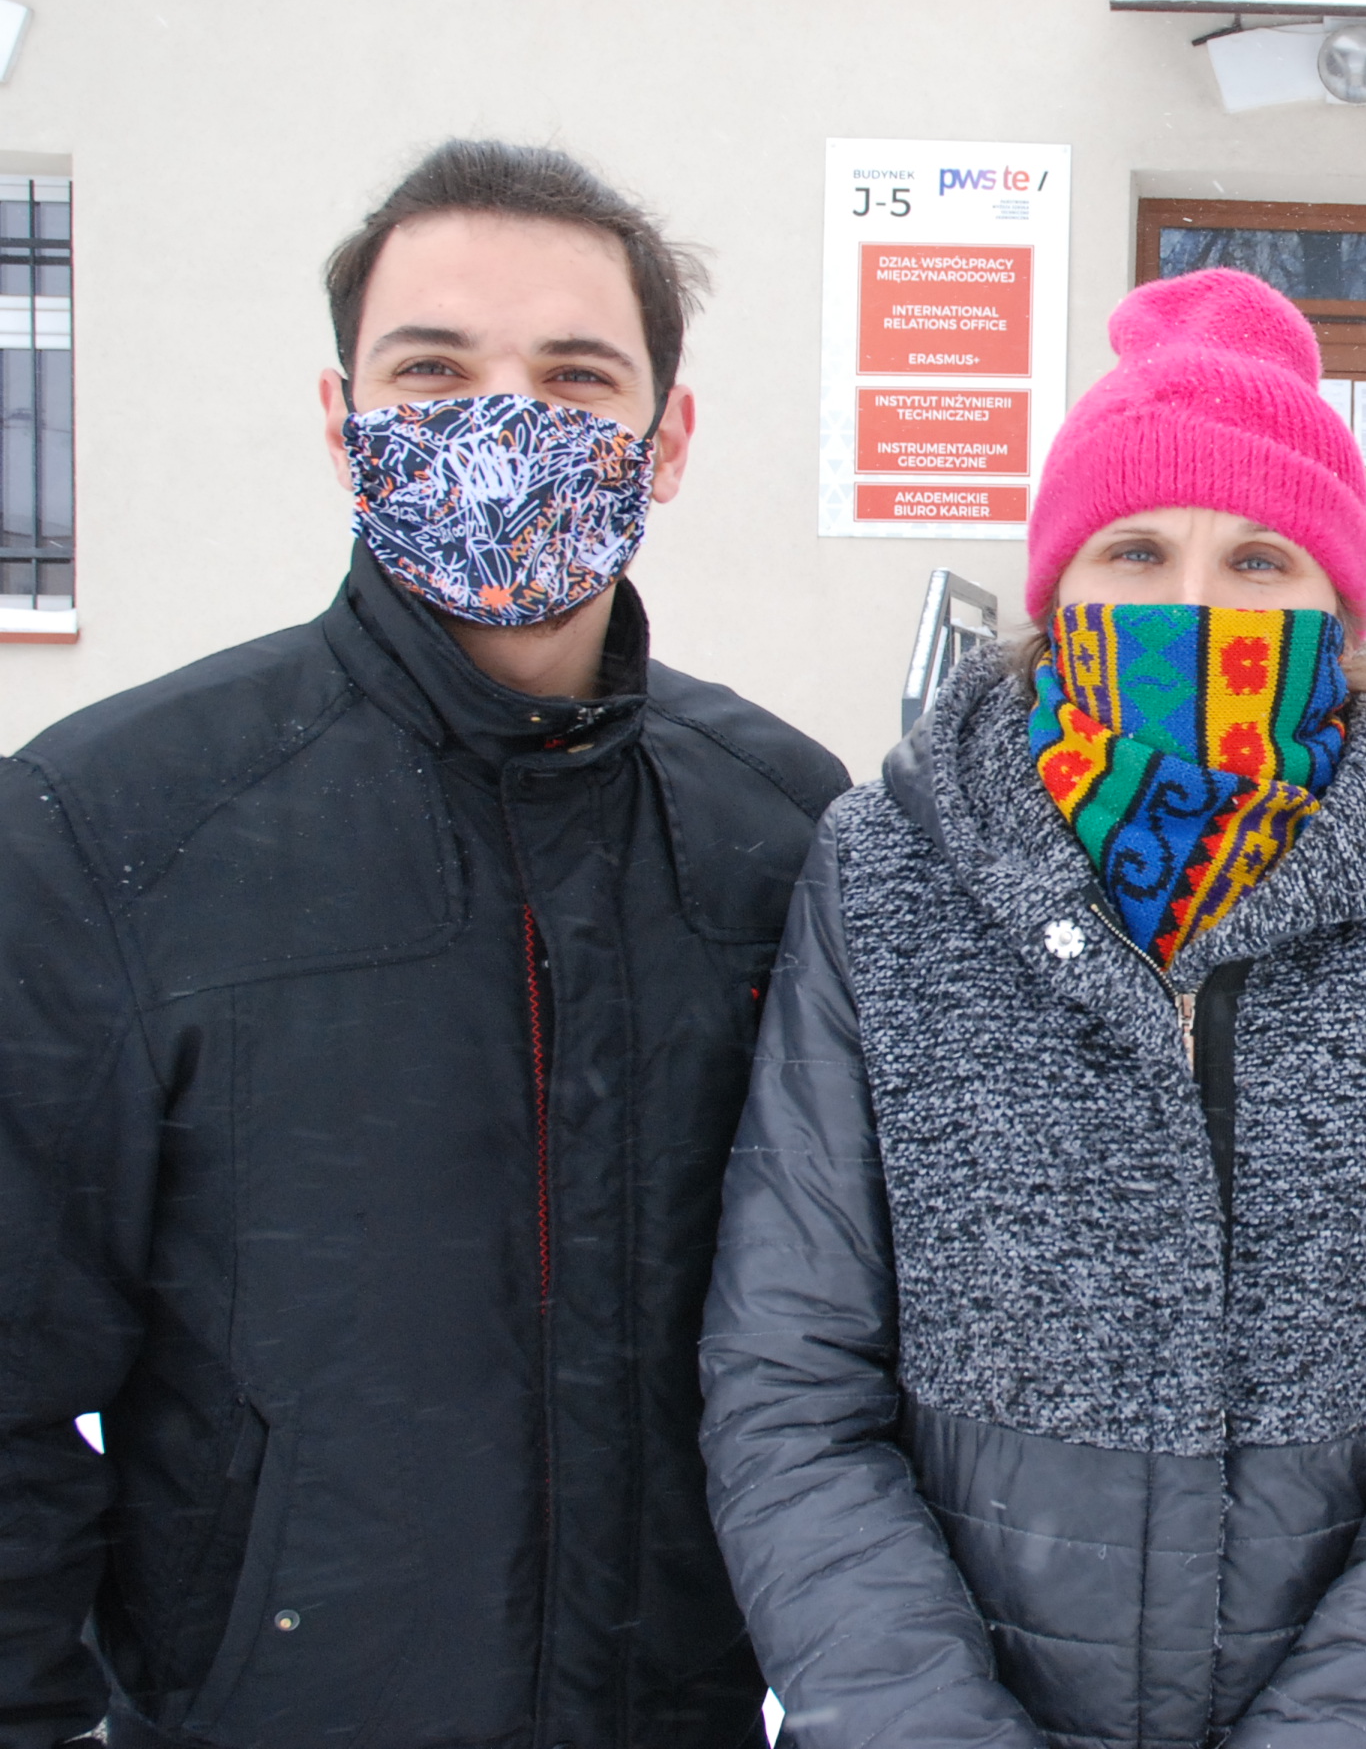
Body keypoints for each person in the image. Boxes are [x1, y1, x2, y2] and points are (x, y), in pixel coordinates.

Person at [698, 267, 1366, 1748]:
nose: (1195, 603)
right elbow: (791, 1382)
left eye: (1261, 559)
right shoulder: (888, 874)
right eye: (1136, 549)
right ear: (1058, 591)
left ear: (1339, 606)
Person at [0, 141, 847, 1749]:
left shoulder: (784, 830)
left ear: (667, 441)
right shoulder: (111, 827)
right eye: (434, 371)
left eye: (576, 377)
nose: (502, 423)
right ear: (344, 423)